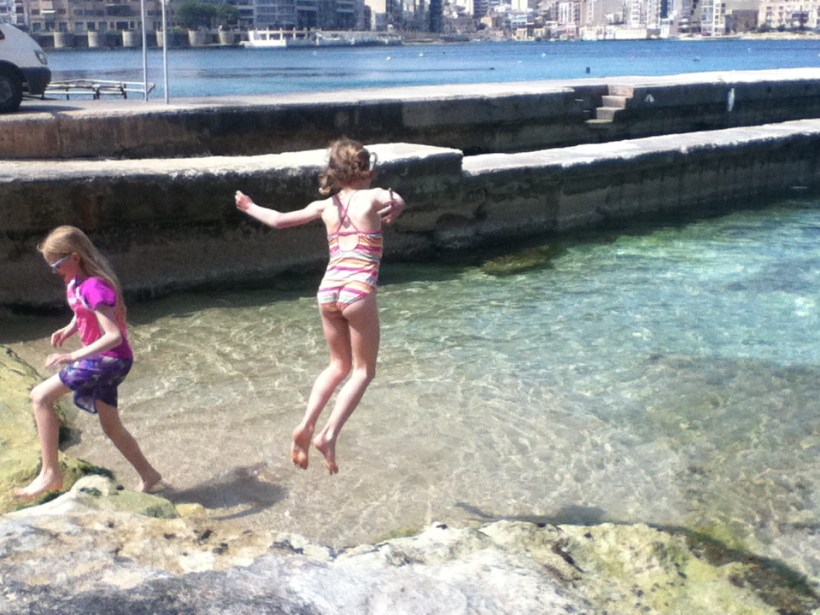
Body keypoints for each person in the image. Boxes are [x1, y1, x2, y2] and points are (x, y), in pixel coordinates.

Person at [235, 138, 405, 474]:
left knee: (337, 366)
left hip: (328, 291)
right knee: (362, 371)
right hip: (357, 291)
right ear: (367, 169)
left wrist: (248, 206)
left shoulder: (324, 206)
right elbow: (395, 198)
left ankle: (307, 421)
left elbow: (279, 220)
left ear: (334, 173)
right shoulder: (372, 197)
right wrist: (395, 207)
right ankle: (328, 434)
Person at [15, 225, 162, 498]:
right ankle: (149, 475)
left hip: (110, 358)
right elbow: (82, 310)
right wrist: (70, 329)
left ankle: (51, 474)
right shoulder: (75, 281)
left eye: (57, 264)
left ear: (75, 257)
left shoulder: (95, 286)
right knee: (111, 426)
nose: (55, 271)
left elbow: (114, 336)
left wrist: (73, 355)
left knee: (41, 397)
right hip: (109, 359)